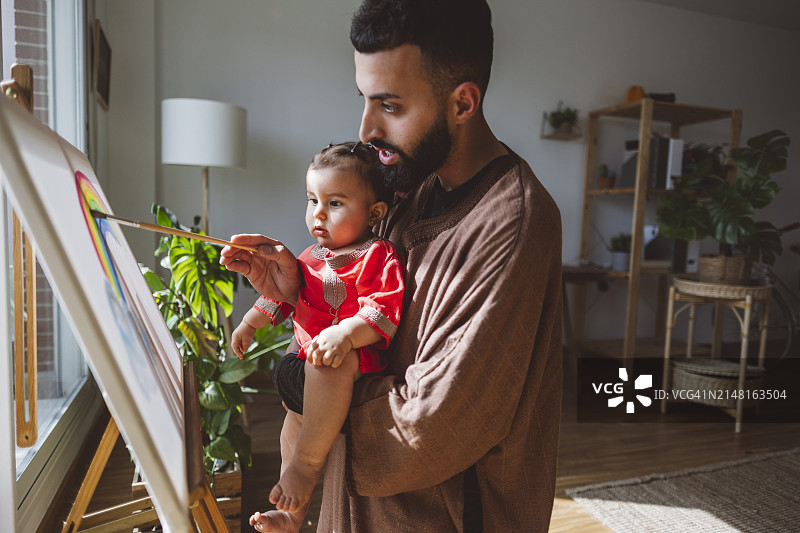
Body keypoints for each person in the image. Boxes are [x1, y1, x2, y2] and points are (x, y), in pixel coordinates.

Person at [221, 1, 562, 531]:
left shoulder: (513, 221)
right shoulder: (409, 182)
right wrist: (300, 285)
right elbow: (363, 286)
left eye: (390, 105)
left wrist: (301, 386)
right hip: (361, 507)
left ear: (463, 103)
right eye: (364, 99)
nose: (367, 128)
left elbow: (433, 426)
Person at [231, 142, 405, 516]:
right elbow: (284, 296)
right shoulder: (310, 256)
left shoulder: (378, 254)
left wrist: (345, 334)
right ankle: (289, 516)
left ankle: (308, 469)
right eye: (312, 200)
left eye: (335, 203)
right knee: (289, 434)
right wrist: (249, 323)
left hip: (348, 358)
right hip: (309, 358)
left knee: (325, 372)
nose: (318, 215)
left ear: (374, 212)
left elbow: (382, 307)